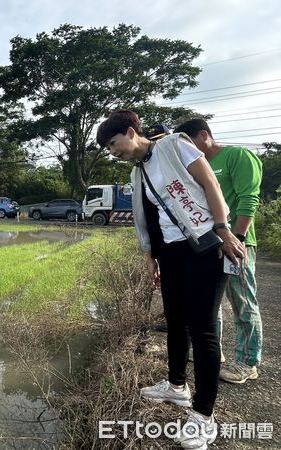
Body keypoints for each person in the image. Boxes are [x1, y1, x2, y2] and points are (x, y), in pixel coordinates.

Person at [97, 110, 245, 450]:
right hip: (173, 253)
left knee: (203, 327)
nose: (112, 151)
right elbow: (148, 217)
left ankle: (203, 417)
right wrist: (151, 256)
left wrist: (224, 230)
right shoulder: (140, 171)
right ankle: (177, 387)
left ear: (132, 132)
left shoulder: (176, 146)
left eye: (113, 143)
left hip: (206, 245)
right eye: (107, 147)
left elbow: (210, 184)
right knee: (175, 321)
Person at [175, 118, 263, 384]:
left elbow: (249, 197)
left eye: (190, 144)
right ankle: (216, 352)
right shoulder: (198, 166)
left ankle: (248, 362)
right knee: (211, 304)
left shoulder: (238, 156)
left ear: (204, 135)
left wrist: (236, 238)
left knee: (242, 301)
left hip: (237, 242)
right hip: (209, 245)